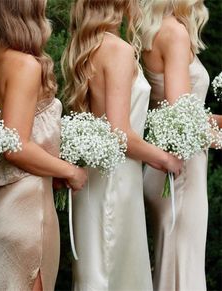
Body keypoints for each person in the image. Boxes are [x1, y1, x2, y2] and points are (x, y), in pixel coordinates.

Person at [62, 0, 182, 290]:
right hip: (116, 181)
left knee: (98, 271)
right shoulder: (118, 50)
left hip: (93, 180)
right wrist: (165, 159)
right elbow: (120, 134)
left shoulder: (85, 47)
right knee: (116, 273)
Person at [0, 0, 87, 290]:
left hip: (0, 204)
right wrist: (69, 171)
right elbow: (15, 147)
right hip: (27, 208)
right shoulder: (24, 65)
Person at [141, 0, 212, 290]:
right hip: (179, 174)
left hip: (168, 168)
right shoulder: (175, 33)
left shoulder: (158, 30)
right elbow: (180, 117)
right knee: (183, 269)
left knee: (177, 265)